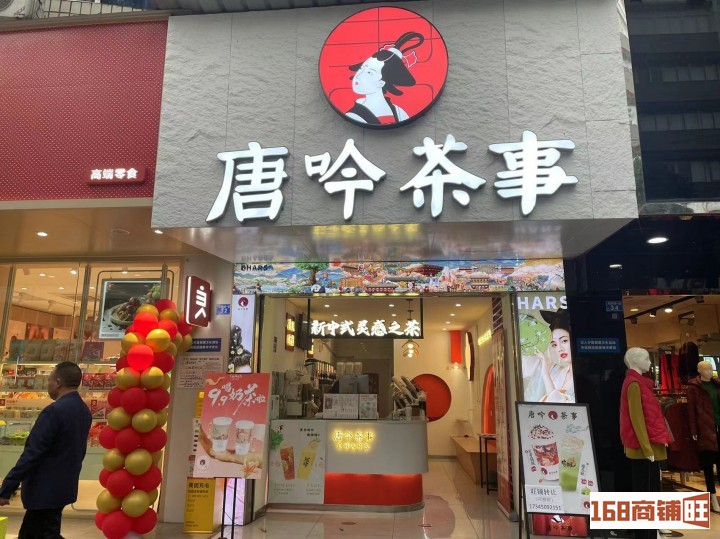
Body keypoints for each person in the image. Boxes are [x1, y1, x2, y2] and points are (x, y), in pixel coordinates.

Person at [0, 362, 92, 538]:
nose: (48, 384)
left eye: (49, 380)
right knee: (47, 531)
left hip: (44, 490)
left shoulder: (53, 411)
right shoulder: (83, 411)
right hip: (63, 487)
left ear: (57, 382)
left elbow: (33, 453)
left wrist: (8, 486)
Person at [346, 32, 424, 126]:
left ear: (382, 83)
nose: (358, 76)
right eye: (361, 68)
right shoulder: (353, 115)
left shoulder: (399, 113)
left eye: (369, 72)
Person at [687, 360, 720, 512]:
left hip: (718, 427)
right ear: (699, 371)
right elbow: (691, 411)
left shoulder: (716, 384)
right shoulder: (694, 388)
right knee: (708, 465)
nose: (709, 371)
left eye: (710, 368)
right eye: (706, 369)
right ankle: (712, 496)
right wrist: (694, 430)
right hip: (705, 430)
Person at [538, 308, 575, 402]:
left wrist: (545, 374)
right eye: (554, 345)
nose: (559, 349)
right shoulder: (557, 373)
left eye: (564, 341)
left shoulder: (587, 377)